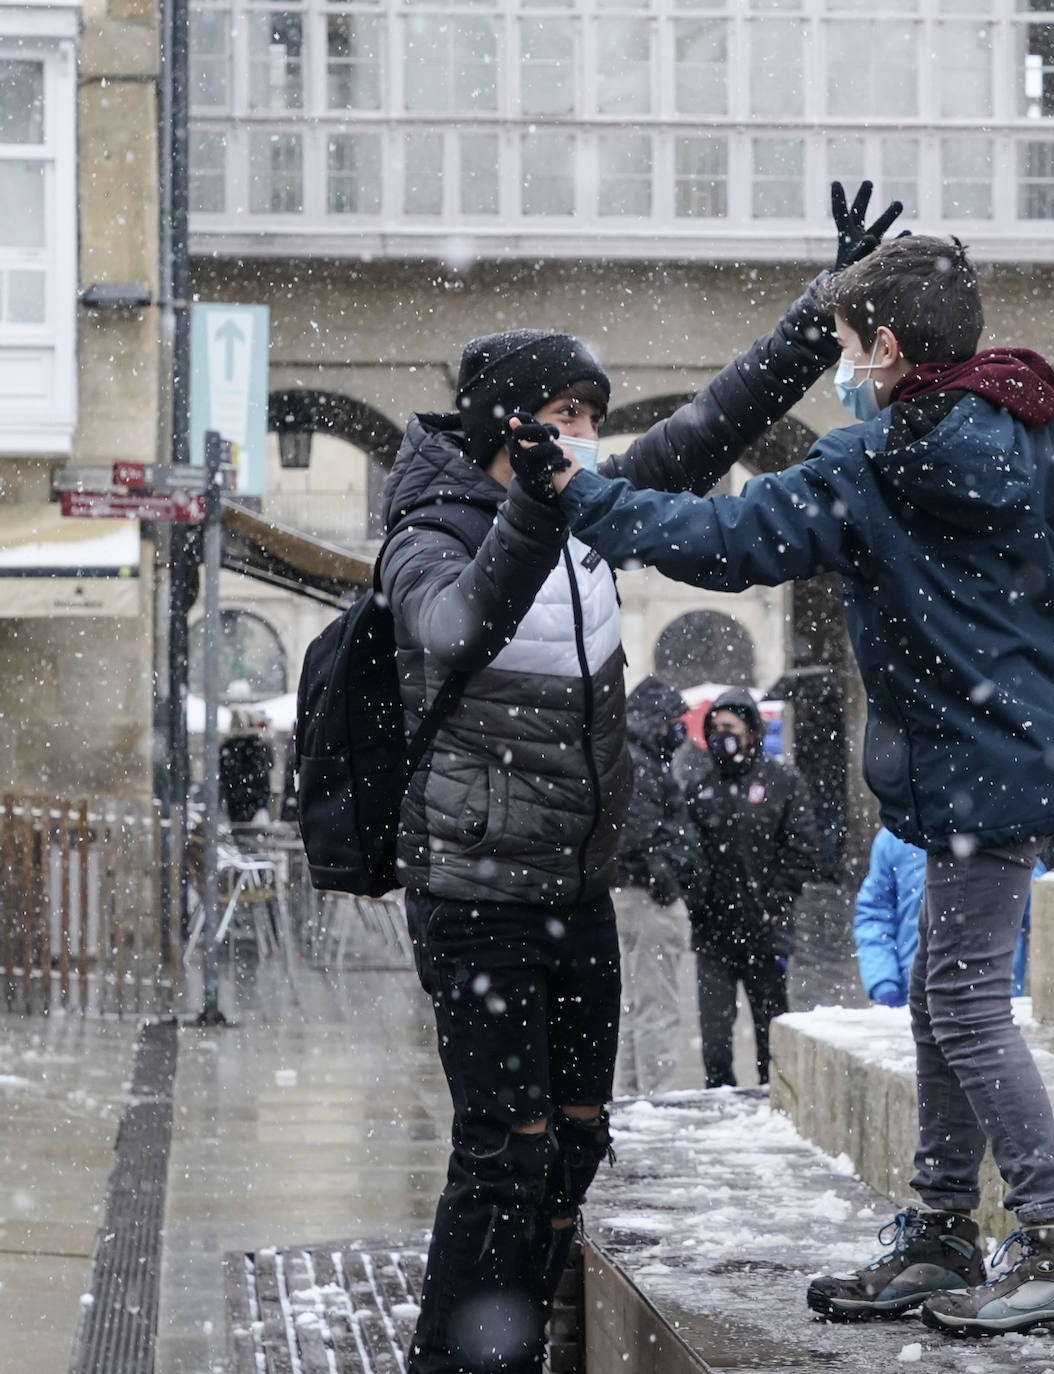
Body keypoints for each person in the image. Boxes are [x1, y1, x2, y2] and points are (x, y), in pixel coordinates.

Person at [535, 233, 1054, 1337]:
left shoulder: (869, 466)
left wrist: (582, 497)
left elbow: (721, 537)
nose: (840, 368)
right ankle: (939, 1228)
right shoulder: (1038, 428)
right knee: (947, 993)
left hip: (967, 776)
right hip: (1003, 766)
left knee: (969, 1004)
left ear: (883, 349)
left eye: (843, 346)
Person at [378, 183, 902, 1374]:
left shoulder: (578, 508)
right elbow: (453, 630)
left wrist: (821, 310)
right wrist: (540, 509)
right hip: (474, 896)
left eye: (589, 418)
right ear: (508, 425)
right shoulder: (433, 530)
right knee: (500, 1152)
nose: (583, 438)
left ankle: (539, 1339)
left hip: (572, 893)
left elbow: (710, 427)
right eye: (560, 416)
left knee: (573, 1140)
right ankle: (461, 1361)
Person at [686, 688, 820, 1088]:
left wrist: (775, 903)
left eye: (729, 727)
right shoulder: (701, 785)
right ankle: (719, 1111)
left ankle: (773, 1103)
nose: (719, 735)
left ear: (750, 731)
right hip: (713, 935)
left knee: (771, 1037)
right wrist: (697, 897)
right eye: (714, 727)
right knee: (714, 1044)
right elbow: (688, 849)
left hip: (765, 931)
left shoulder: (782, 782)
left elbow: (803, 848)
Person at [614, 675, 705, 1096]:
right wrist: (664, 877)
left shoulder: (628, 757)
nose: (679, 729)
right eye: (673, 720)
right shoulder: (642, 764)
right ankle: (659, 1098)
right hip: (649, 900)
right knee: (657, 1008)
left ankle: (634, 1096)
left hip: (632, 896)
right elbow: (637, 833)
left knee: (635, 1007)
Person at [855, 826, 1044, 1006]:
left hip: (991, 999)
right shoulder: (895, 839)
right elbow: (874, 917)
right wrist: (884, 984)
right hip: (915, 998)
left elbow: (1045, 916)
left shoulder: (1004, 834)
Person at [218, 709, 274, 824]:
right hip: (255, 804)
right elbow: (266, 772)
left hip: (235, 803)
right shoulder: (257, 745)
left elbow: (224, 777)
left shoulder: (228, 747)